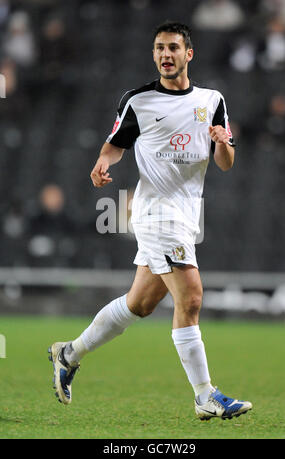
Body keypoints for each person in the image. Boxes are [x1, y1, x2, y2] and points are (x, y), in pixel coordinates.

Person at [48, 21, 252, 421]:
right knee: (190, 296)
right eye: (159, 48)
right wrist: (101, 165)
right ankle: (205, 396)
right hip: (155, 212)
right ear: (154, 54)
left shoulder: (212, 100)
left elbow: (226, 163)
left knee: (139, 304)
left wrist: (222, 143)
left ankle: (68, 353)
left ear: (188, 54)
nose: (165, 55)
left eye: (173, 48)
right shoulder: (137, 100)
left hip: (187, 214)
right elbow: (114, 147)